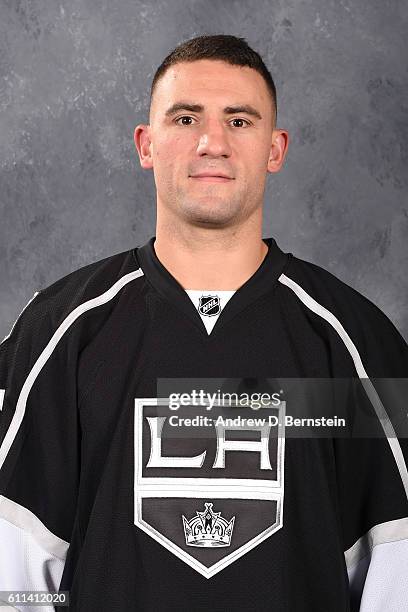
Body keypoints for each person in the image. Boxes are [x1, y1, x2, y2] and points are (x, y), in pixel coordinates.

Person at [0, 34, 407, 612]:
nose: (212, 142)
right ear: (146, 144)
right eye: (186, 117)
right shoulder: (58, 333)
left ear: (275, 148)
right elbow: (12, 572)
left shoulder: (356, 341)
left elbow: (397, 567)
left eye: (240, 121)